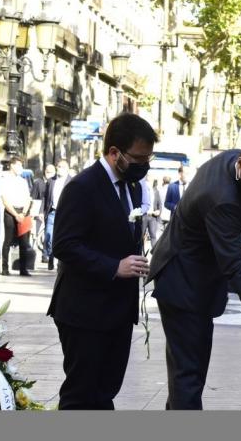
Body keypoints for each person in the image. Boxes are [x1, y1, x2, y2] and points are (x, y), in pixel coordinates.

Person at [148, 136, 241, 409]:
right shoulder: (222, 200)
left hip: (187, 274)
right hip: (184, 284)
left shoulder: (232, 158)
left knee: (187, 372)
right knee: (188, 375)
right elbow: (234, 266)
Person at [47, 113, 158, 409]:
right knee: (81, 394)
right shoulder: (82, 187)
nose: (144, 166)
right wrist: (114, 267)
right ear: (114, 153)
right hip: (84, 311)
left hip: (118, 312)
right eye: (138, 159)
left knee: (105, 392)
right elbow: (64, 245)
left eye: (149, 158)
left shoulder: (132, 188)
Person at [0, 157, 32, 276]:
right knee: (7, 241)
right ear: (12, 165)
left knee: (24, 242)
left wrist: (23, 213)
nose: (21, 168)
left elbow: (28, 198)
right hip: (10, 211)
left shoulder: (23, 181)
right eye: (19, 165)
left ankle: (23, 269)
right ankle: (4, 268)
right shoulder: (4, 180)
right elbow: (4, 200)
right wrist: (15, 214)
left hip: (22, 212)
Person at [45, 160, 72, 270]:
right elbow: (46, 197)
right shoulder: (51, 181)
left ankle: (59, 262)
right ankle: (51, 256)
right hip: (52, 212)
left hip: (65, 213)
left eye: (61, 167)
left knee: (62, 237)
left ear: (66, 168)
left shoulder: (72, 181)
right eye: (58, 166)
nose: (58, 168)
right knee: (48, 236)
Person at [143, 179, 163, 249]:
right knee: (140, 236)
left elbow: (159, 203)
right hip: (144, 216)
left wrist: (159, 211)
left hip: (153, 217)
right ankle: (138, 253)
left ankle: (154, 254)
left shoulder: (156, 191)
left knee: (153, 236)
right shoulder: (142, 190)